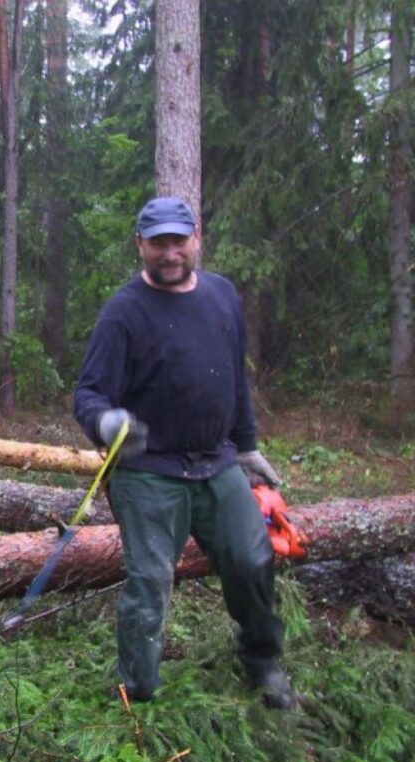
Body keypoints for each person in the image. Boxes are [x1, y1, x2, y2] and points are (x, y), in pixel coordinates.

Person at [73, 197, 296, 709]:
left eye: (178, 241)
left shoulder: (221, 296)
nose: (169, 253)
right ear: (140, 245)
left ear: (196, 237)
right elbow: (88, 394)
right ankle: (137, 690)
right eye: (158, 243)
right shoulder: (123, 312)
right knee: (150, 580)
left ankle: (262, 661)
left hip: (217, 462)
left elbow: (234, 378)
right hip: (148, 471)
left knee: (252, 556)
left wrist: (247, 447)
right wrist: (107, 421)